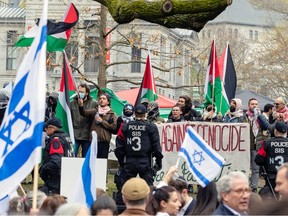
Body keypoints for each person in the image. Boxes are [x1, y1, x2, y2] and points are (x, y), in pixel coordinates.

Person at [114, 104, 163, 205]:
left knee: (124, 187)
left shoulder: (126, 126)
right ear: (145, 114)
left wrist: (122, 162)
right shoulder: (151, 126)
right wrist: (158, 162)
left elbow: (119, 146)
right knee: (149, 189)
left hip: (129, 160)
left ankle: (120, 209)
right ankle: (151, 209)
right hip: (145, 161)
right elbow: (157, 147)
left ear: (134, 113)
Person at [39, 118, 74, 195]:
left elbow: (56, 162)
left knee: (37, 197)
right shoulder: (66, 137)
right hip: (66, 178)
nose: (45, 129)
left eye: (46, 127)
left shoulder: (56, 140)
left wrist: (43, 169)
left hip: (56, 181)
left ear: (53, 128)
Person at [255, 121, 288, 198]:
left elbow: (258, 159)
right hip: (286, 177)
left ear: (275, 131)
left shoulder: (267, 143)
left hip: (271, 178)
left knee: (271, 198)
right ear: (286, 132)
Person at [79, 92, 117, 158]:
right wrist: (81, 106)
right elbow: (84, 113)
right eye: (100, 98)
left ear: (108, 102)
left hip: (104, 142)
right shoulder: (95, 111)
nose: (101, 100)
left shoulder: (112, 114)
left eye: (104, 98)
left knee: (102, 162)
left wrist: (102, 121)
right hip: (93, 141)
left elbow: (114, 128)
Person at [71, 83, 97, 157]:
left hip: (87, 135)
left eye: (82, 92)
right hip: (75, 134)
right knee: (72, 156)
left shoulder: (94, 103)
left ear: (87, 93)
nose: (79, 94)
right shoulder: (72, 103)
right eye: (78, 92)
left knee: (85, 157)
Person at [246, 98, 261, 192]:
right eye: (252, 104)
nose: (254, 106)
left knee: (255, 169)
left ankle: (254, 187)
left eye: (256, 104)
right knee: (246, 168)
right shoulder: (244, 116)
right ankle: (246, 185)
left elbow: (266, 127)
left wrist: (259, 117)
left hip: (256, 146)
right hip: (246, 147)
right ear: (248, 105)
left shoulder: (261, 117)